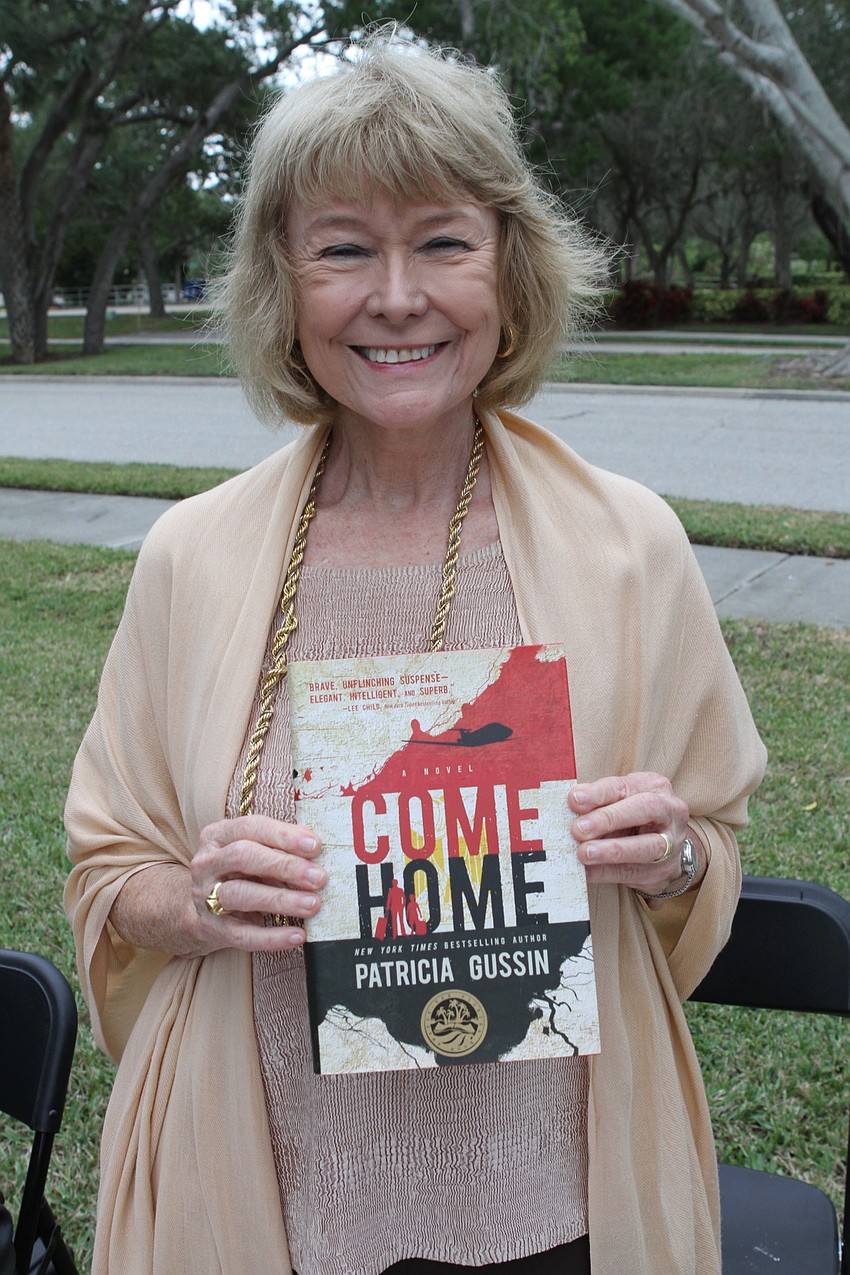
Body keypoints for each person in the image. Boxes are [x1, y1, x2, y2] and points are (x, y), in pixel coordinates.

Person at [64, 37, 766, 1275]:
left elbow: (707, 852)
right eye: (343, 248)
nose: (396, 296)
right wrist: (200, 896)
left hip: (557, 1201)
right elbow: (112, 872)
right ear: (283, 283)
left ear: (509, 268)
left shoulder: (626, 547)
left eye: (442, 241)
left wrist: (667, 853)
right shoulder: (191, 557)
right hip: (266, 1190)